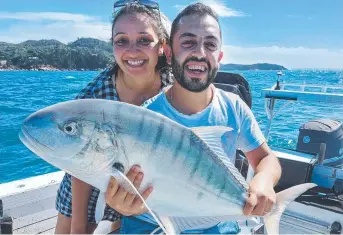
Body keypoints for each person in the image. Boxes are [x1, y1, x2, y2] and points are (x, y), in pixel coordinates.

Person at [105, 2, 282, 234]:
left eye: (209, 44)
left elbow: (266, 159)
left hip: (217, 226)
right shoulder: (145, 119)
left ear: (219, 56)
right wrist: (123, 206)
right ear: (168, 53)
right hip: (152, 225)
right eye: (188, 42)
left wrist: (264, 180)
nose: (199, 52)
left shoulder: (233, 108)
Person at [54, 2, 174, 234]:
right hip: (84, 186)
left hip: (137, 188)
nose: (132, 50)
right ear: (113, 46)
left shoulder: (173, 92)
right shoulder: (94, 96)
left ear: (161, 46)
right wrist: (79, 227)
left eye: (144, 40)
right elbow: (79, 164)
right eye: (121, 41)